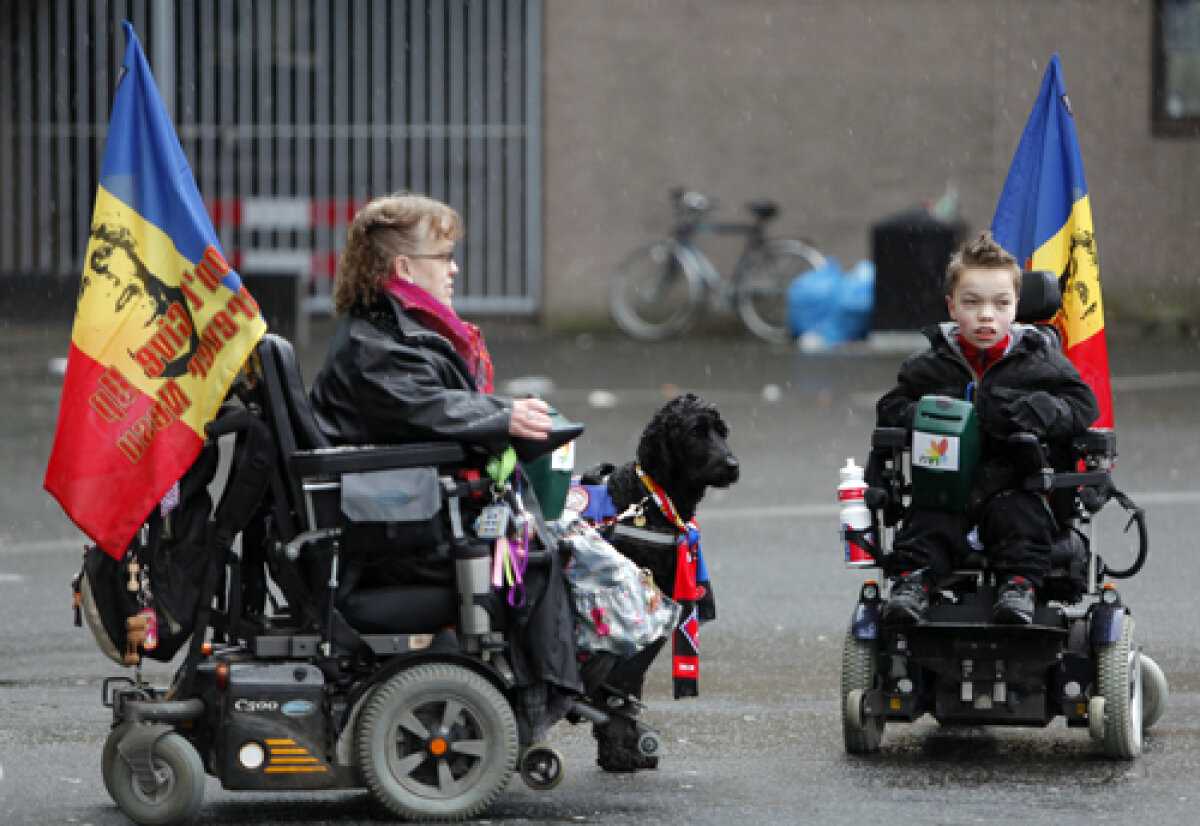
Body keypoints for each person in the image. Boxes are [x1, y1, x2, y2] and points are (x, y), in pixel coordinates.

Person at [309, 192, 581, 744]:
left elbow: (428, 404)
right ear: (404, 267)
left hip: (398, 520)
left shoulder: (389, 329)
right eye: (444, 256)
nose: (454, 268)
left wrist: (502, 417)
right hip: (393, 541)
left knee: (565, 521)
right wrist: (505, 416)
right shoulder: (376, 345)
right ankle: (538, 707)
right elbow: (425, 406)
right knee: (535, 559)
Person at [876, 231, 1100, 625]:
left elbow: (1084, 406)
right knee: (927, 522)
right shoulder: (928, 366)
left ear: (1016, 307)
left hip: (1014, 481)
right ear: (951, 306)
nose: (986, 315)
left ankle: (1018, 587)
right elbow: (891, 407)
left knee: (1022, 520)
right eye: (972, 303)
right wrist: (919, 415)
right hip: (947, 483)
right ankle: (913, 584)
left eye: (1000, 304)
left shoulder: (1041, 362)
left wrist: (1044, 410)